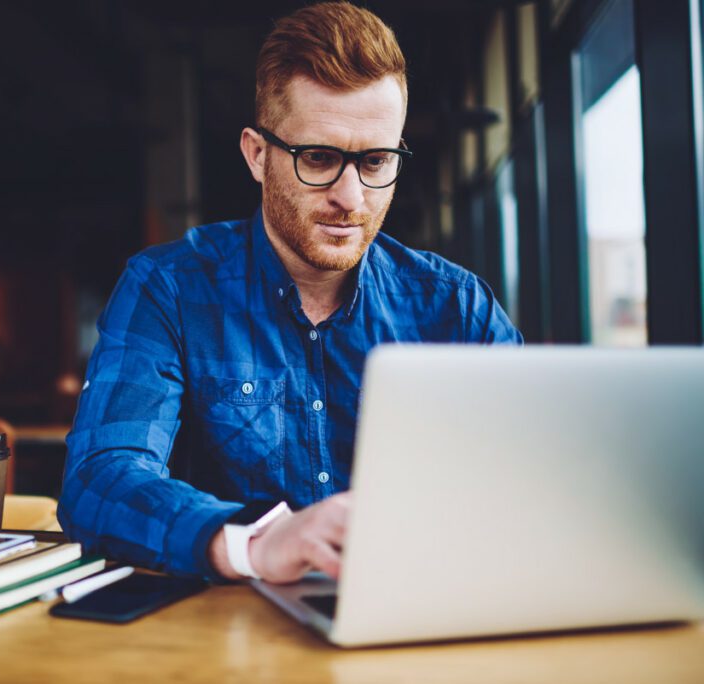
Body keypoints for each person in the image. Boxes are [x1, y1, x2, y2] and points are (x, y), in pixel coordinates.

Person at [58, 2, 521, 585]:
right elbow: (100, 480)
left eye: (376, 161)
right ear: (258, 155)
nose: (350, 197)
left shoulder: (458, 308)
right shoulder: (169, 289)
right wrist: (257, 542)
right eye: (319, 159)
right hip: (229, 642)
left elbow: (535, 478)